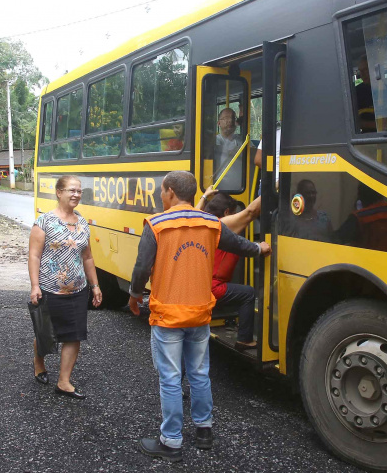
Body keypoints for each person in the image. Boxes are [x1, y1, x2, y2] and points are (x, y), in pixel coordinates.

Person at [128, 171, 270, 462]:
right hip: (200, 314)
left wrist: (134, 295)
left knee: (171, 379)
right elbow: (240, 245)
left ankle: (171, 442)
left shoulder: (156, 224)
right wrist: (259, 248)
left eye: (162, 191)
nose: (161, 196)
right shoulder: (211, 223)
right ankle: (204, 431)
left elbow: (142, 268)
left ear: (170, 192)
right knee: (199, 374)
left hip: (168, 316)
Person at [28, 175, 102, 398]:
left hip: (78, 290)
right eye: (72, 190)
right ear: (59, 192)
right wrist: (35, 286)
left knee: (74, 335)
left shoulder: (82, 222)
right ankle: (39, 362)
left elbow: (87, 257)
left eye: (79, 191)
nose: (76, 194)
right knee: (46, 334)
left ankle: (64, 382)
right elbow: (34, 256)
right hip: (50, 289)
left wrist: (95, 285)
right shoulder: (44, 222)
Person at [196, 187, 262, 350]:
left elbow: (195, 211)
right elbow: (250, 212)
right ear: (226, 213)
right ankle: (244, 340)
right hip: (212, 288)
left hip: (200, 286)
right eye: (234, 213)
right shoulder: (221, 226)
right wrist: (273, 186)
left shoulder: (201, 221)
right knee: (248, 293)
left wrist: (204, 196)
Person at [214, 107, 243, 191]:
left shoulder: (242, 140)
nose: (230, 120)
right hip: (221, 184)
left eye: (233, 118)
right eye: (226, 118)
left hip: (242, 184)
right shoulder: (216, 140)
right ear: (219, 123)